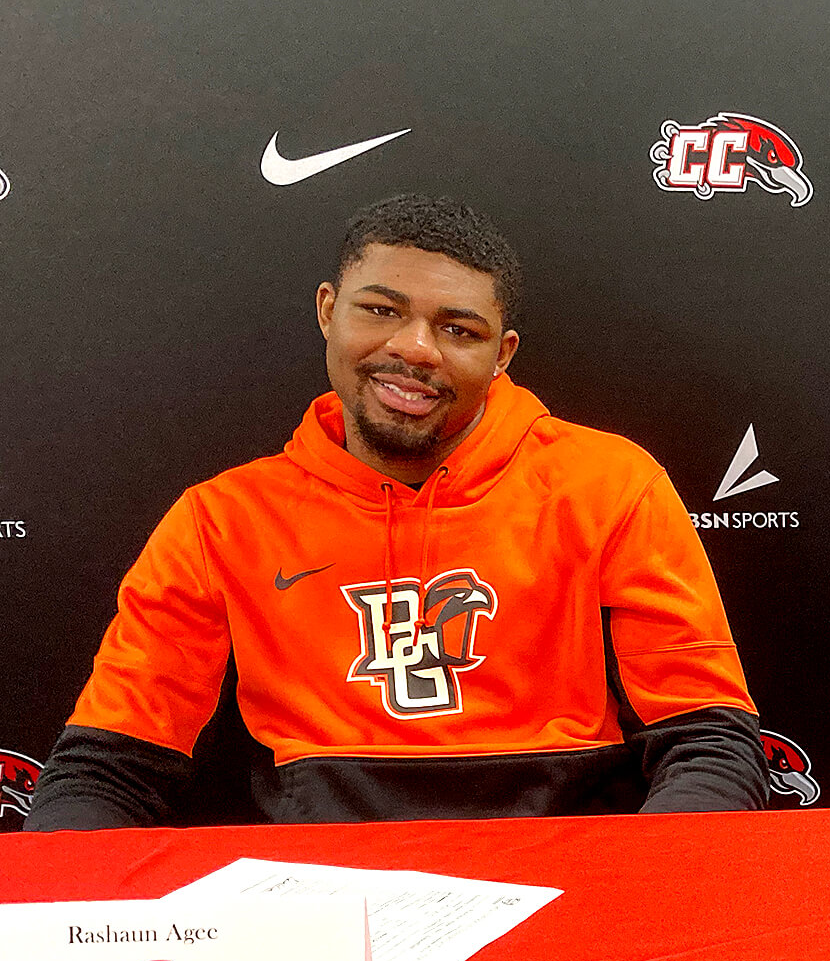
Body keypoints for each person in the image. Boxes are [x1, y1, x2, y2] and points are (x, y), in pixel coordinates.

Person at [28, 194, 767, 829]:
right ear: (328, 311)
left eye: (458, 329)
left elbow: (709, 744)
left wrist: (635, 892)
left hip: (568, 888)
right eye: (381, 310)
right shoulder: (222, 518)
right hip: (320, 910)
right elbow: (105, 770)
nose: (415, 349)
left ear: (503, 352)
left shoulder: (609, 483)